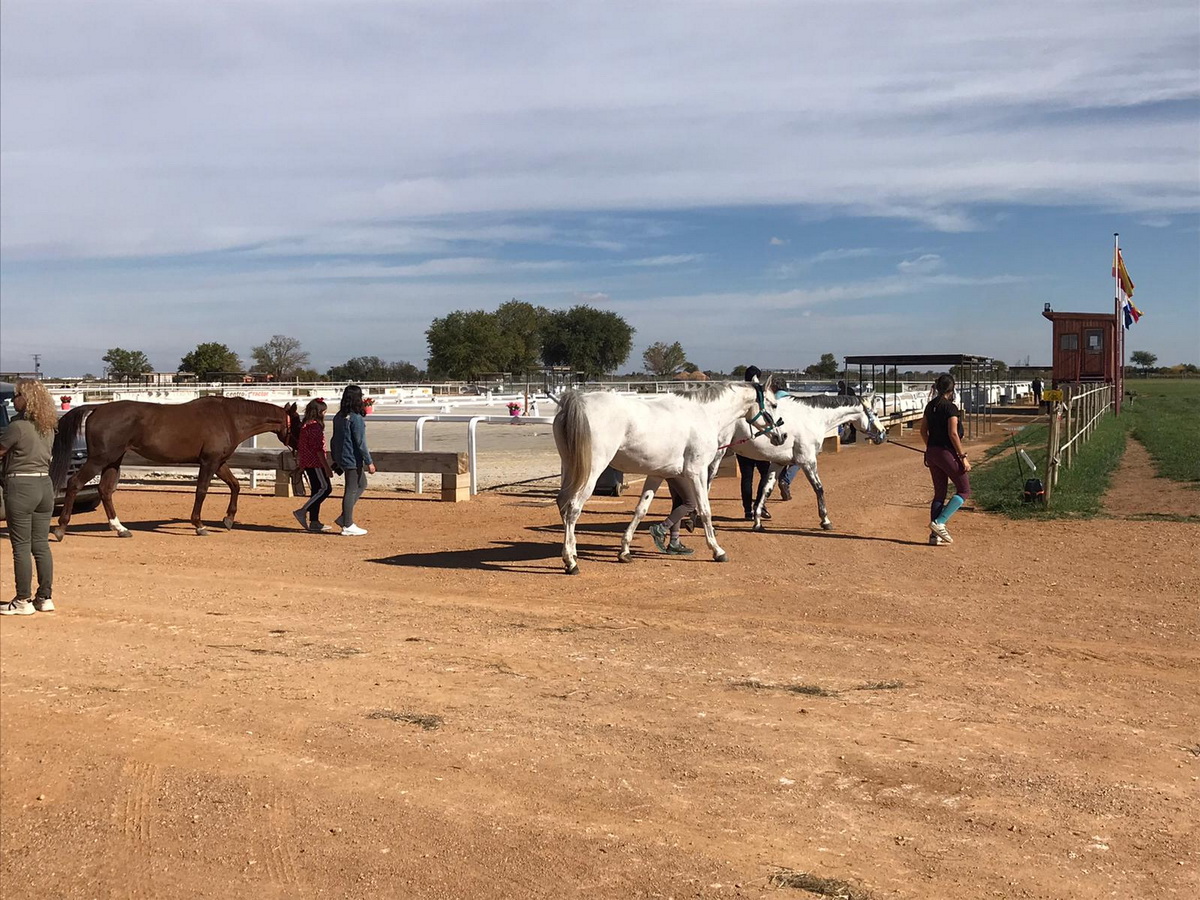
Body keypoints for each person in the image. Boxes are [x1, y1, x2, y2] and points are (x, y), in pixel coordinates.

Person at [0, 380, 58, 615]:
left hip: (21, 485)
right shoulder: (48, 427)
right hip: (44, 485)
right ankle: (44, 597)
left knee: (21, 546)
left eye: (16, 396)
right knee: (41, 545)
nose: (14, 401)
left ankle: (22, 599)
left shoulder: (18, 427)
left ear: (26, 398)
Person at [920, 373, 972, 546]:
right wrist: (962, 457)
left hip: (932, 452)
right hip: (946, 452)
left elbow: (923, 431)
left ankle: (934, 536)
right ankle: (940, 522)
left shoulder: (930, 406)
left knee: (939, 494)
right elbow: (953, 434)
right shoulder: (950, 408)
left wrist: (930, 447)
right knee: (964, 490)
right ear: (953, 388)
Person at [331, 384, 376, 537]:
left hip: (343, 456)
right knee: (351, 489)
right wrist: (369, 461)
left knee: (361, 484)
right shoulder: (355, 418)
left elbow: (334, 439)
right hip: (352, 457)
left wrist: (336, 458)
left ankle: (345, 517)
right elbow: (360, 442)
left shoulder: (339, 416)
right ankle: (347, 523)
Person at [292, 398, 335, 533]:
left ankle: (314, 521)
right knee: (325, 488)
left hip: (307, 462)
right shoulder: (315, 427)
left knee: (316, 490)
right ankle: (303, 510)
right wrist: (327, 467)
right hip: (315, 463)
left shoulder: (305, 425)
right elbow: (318, 450)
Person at [737, 366, 771, 520]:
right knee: (766, 473)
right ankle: (759, 504)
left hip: (741, 442)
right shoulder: (758, 394)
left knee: (746, 477)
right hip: (759, 439)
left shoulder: (740, 393)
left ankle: (747, 511)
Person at [648, 479, 697, 555]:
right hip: (677, 471)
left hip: (669, 472)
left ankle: (674, 543)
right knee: (690, 504)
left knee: (678, 501)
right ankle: (661, 528)